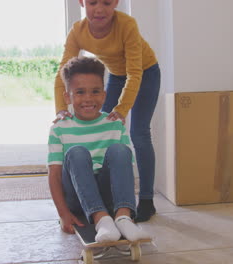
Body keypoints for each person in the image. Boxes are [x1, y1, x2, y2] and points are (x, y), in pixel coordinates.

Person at [53, 0, 160, 222]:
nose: (99, 9)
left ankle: (147, 200)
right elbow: (62, 73)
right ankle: (98, 195)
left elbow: (134, 73)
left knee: (139, 134)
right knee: (100, 124)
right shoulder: (78, 31)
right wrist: (62, 109)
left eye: (107, 2)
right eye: (92, 2)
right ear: (82, 2)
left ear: (116, 2)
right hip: (116, 75)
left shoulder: (127, 24)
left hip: (145, 72)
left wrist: (122, 110)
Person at [48, 56, 150, 243]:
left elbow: (126, 171)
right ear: (67, 97)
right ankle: (100, 219)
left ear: (103, 94)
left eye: (95, 91)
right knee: (76, 153)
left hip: (109, 196)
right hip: (78, 199)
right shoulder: (59, 128)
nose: (88, 98)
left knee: (120, 150)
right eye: (79, 92)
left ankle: (123, 217)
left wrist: (124, 205)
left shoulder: (115, 124)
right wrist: (63, 214)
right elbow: (54, 175)